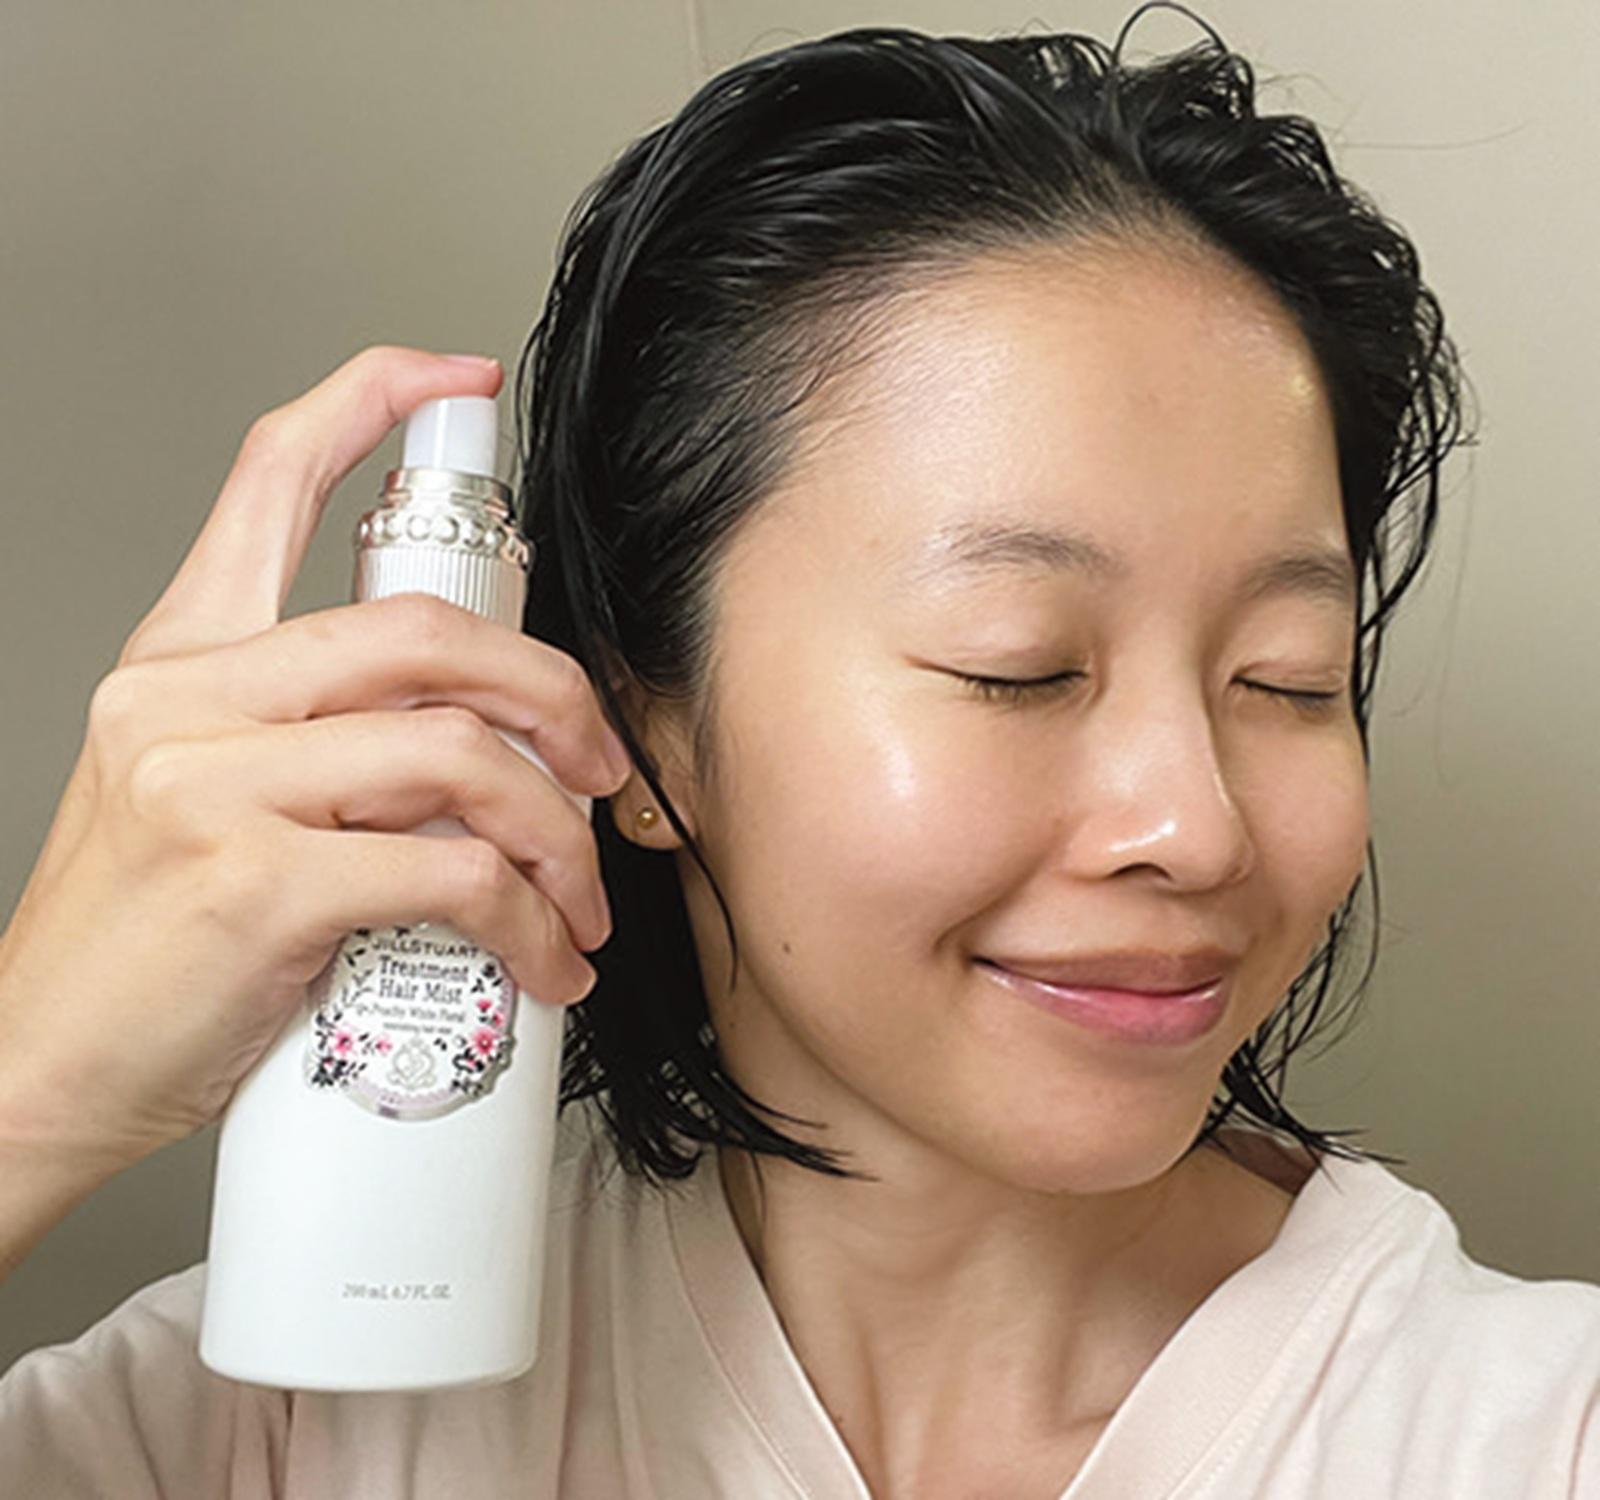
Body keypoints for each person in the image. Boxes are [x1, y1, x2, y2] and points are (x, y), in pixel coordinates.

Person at [2, 9, 1597, 1498]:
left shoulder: (1533, 1434)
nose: (1198, 827)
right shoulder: (284, 1417)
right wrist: (35, 1084)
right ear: (637, 726)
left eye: (1288, 680)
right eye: (1018, 666)